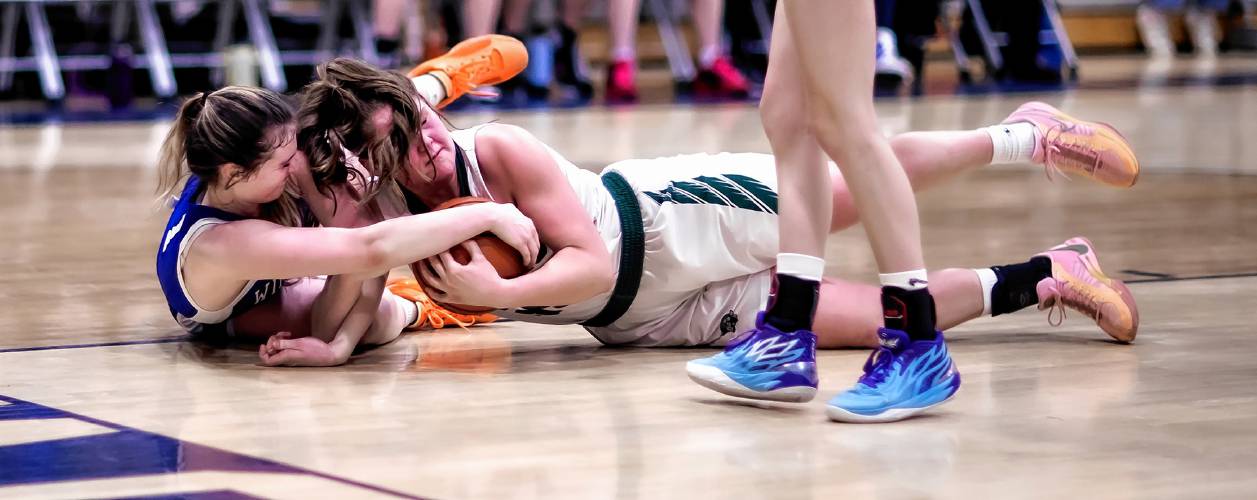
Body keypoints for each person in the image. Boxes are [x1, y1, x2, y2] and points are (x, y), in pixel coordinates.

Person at [299, 59, 1141, 385]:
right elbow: (364, 261)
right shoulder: (386, 191)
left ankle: (1023, 136)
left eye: (432, 122)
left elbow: (586, 264)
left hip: (670, 221)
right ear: (378, 164)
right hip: (638, 321)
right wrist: (333, 344)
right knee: (862, 324)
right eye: (415, 144)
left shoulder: (502, 150)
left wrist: (486, 282)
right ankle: (1049, 275)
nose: (436, 145)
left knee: (848, 191)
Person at [154, 37, 534, 367]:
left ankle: (432, 84)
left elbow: (365, 237)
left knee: (372, 120)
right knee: (379, 319)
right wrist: (488, 214)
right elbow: (369, 251)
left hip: (293, 242)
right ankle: (417, 308)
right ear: (235, 172)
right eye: (284, 164)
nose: (295, 164)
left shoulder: (274, 149)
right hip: (239, 312)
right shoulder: (225, 244)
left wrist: (493, 214)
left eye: (291, 152)